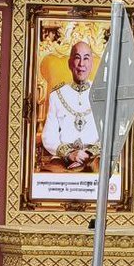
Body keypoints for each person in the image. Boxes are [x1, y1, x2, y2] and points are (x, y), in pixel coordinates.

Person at [41, 41, 99, 170]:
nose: (81, 64)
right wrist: (69, 154)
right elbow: (49, 136)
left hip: (95, 159)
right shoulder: (57, 95)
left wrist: (88, 154)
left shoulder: (103, 94)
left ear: (91, 64)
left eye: (86, 58)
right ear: (70, 63)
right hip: (64, 160)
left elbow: (110, 135)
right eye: (77, 58)